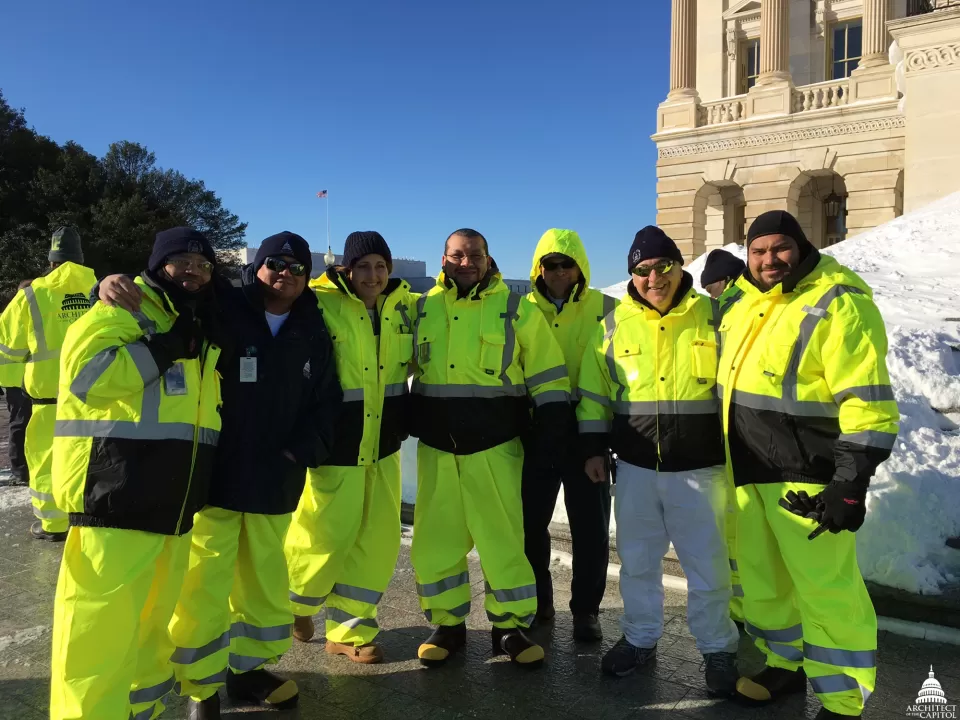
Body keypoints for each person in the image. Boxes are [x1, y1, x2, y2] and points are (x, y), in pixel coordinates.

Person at [96, 232, 342, 719]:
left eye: (297, 267)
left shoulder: (315, 324)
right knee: (203, 585)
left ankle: (249, 671)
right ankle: (202, 687)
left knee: (264, 584)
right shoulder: (225, 305)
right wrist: (103, 284)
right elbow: (167, 293)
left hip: (277, 479)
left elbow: (327, 401)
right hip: (217, 476)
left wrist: (302, 452)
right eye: (276, 263)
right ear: (259, 267)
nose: (286, 274)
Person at [718, 211, 898, 719]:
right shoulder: (745, 305)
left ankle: (842, 700)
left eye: (780, 248)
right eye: (758, 251)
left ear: (801, 246)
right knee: (764, 580)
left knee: (827, 589)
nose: (769, 259)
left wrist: (849, 483)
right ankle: (784, 665)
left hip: (809, 476)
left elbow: (868, 403)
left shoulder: (838, 302)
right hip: (750, 474)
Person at [49, 228, 222, 720]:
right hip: (114, 499)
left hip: (170, 505)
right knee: (94, 641)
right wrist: (162, 348)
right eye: (182, 261)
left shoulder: (194, 319)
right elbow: (88, 379)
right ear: (158, 265)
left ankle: (140, 712)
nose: (193, 270)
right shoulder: (119, 308)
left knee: (149, 634)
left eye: (203, 264)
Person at [577, 226, 740, 696]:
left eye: (663, 267)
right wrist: (592, 448)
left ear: (679, 266)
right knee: (637, 562)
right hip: (636, 469)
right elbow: (593, 395)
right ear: (633, 274)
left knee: (707, 567)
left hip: (699, 468)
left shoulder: (714, 318)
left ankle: (718, 650)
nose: (654, 278)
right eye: (643, 270)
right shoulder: (612, 327)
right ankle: (639, 639)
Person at [409, 228, 571, 668]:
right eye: (458, 255)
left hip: (497, 448)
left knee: (503, 542)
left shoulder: (516, 309)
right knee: (437, 542)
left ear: (487, 258)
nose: (467, 263)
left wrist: (553, 431)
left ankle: (510, 628)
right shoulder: (422, 309)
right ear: (443, 258)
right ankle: (447, 627)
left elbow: (549, 374)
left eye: (475, 255)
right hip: (438, 450)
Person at [285, 231, 414, 664]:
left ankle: (349, 632)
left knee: (375, 542)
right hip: (336, 445)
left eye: (380, 266)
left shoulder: (406, 308)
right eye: (363, 266)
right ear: (346, 269)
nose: (372, 275)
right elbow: (259, 297)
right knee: (322, 535)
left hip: (384, 445)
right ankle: (297, 606)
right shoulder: (319, 302)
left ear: (390, 269)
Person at [522, 228, 616, 642]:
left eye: (567, 263)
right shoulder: (519, 309)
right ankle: (539, 600)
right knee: (528, 525)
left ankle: (586, 612)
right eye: (550, 264)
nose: (559, 272)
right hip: (536, 432)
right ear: (538, 269)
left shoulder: (608, 308)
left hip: (587, 435)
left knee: (590, 529)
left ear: (580, 267)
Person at [0, 228, 95, 541]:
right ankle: (89, 518)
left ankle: (53, 525)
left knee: (45, 462)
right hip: (97, 399)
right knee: (91, 461)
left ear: (51, 260)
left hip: (48, 402)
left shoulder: (30, 295)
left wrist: (16, 387)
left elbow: (7, 348)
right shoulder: (101, 288)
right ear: (80, 259)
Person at [698, 247, 748, 624]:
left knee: (734, 527)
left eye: (711, 287)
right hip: (749, 435)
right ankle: (745, 608)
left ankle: (741, 608)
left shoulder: (726, 313)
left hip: (732, 437)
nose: (711, 295)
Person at [0, 280, 34, 486]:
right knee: (21, 424)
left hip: (17, 379)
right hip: (18, 380)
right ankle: (20, 470)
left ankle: (23, 468)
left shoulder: (8, 316)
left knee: (23, 423)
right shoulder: (16, 317)